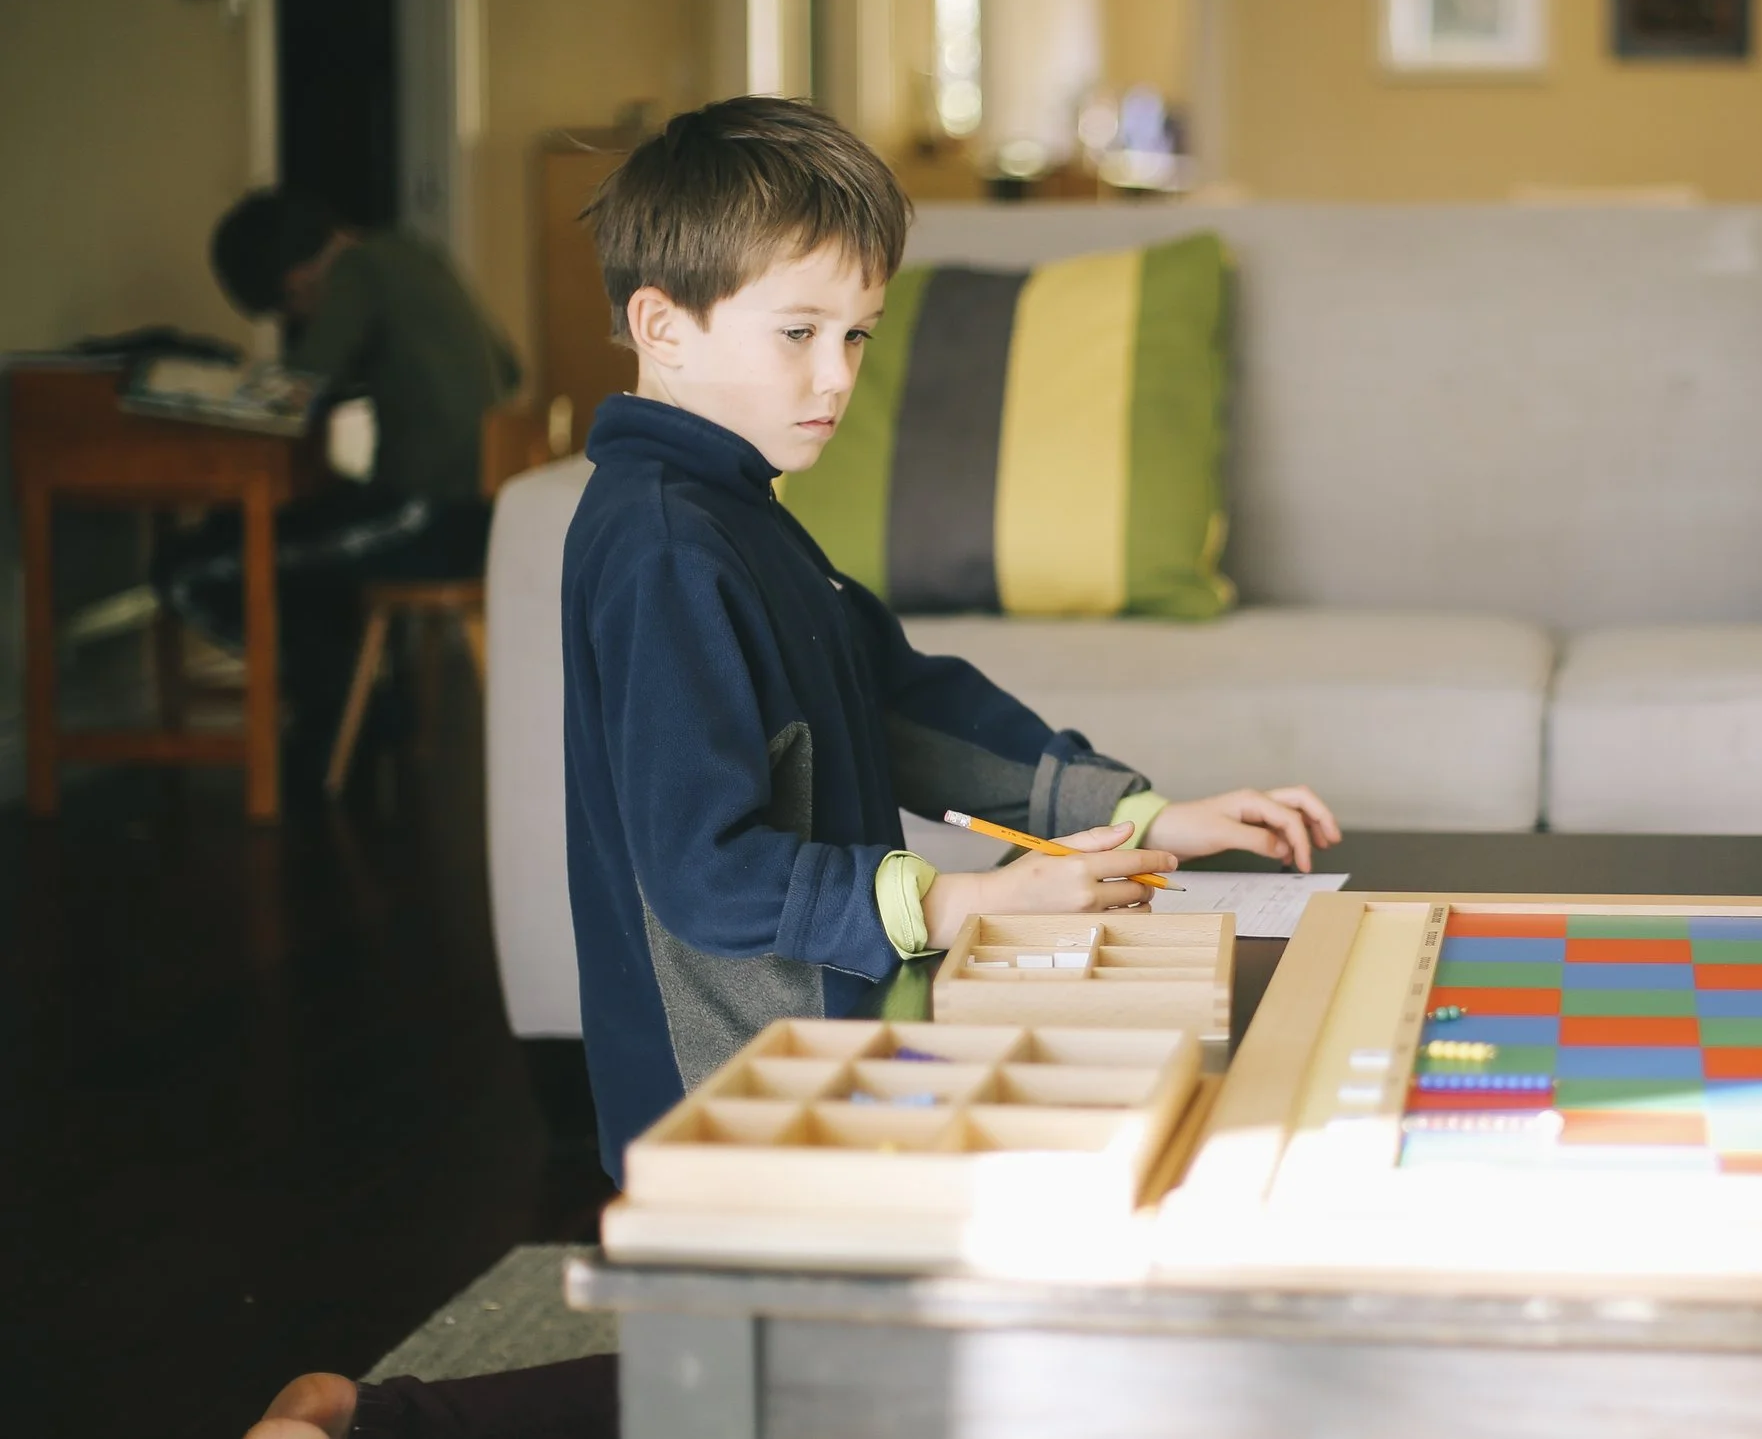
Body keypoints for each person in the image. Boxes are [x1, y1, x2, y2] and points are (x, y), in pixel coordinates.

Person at [241, 96, 1340, 1438]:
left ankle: (368, 1416)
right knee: (805, 1387)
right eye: (799, 332)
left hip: (820, 1024)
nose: (837, 376)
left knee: (808, 1373)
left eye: (857, 334)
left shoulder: (739, 511)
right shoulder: (661, 545)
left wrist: (1144, 807)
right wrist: (959, 902)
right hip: (735, 1067)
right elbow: (704, 866)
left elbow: (901, 701)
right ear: (665, 326)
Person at [162, 191, 521, 745]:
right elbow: (511, 368)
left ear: (295, 283)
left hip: (428, 515)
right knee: (309, 540)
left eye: (291, 314)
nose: (301, 320)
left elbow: (297, 388)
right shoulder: (414, 252)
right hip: (481, 512)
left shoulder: (354, 270)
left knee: (197, 564)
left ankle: (332, 696)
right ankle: (345, 697)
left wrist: (197, 392)